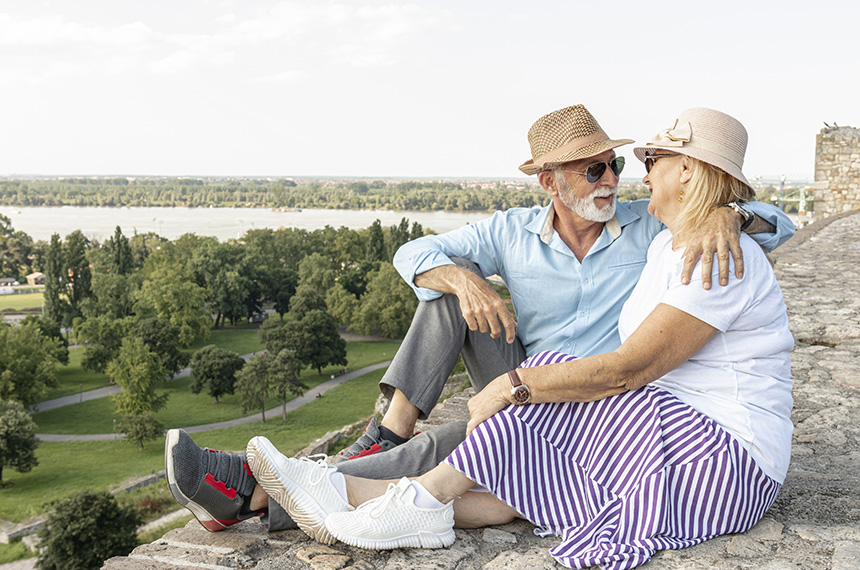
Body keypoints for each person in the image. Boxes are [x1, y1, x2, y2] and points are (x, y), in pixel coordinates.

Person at [164, 104, 794, 533]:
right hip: (535, 370)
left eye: (617, 166)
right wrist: (467, 279)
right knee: (442, 297)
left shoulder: (647, 225)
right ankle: (388, 432)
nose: (610, 179)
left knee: (461, 441)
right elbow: (413, 254)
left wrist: (731, 216)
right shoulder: (512, 233)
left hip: (600, 391)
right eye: (592, 169)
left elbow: (774, 221)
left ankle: (258, 493)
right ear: (550, 181)